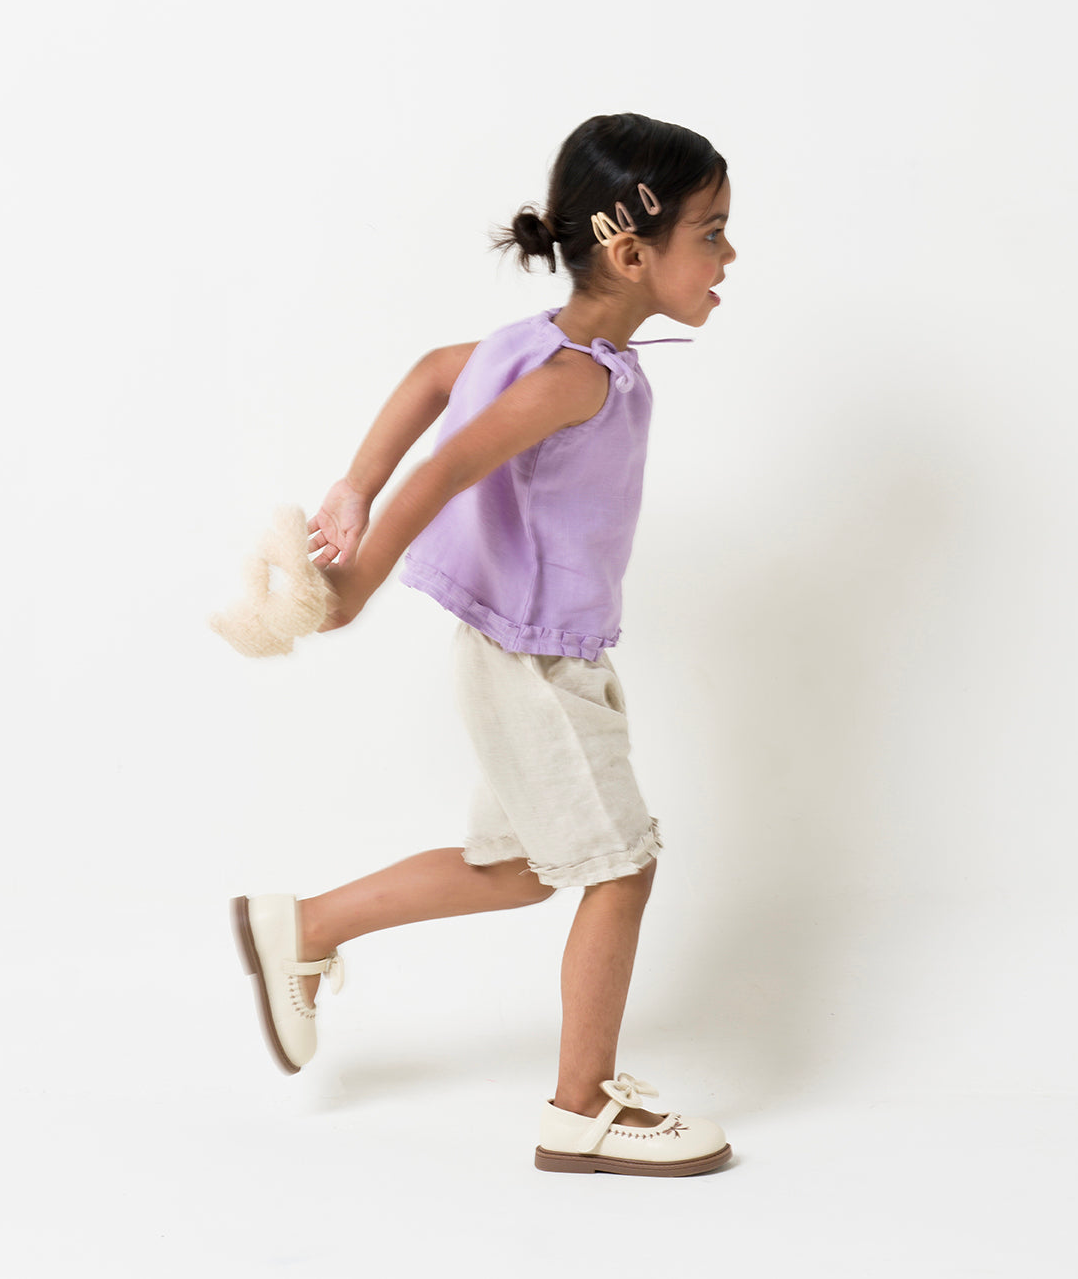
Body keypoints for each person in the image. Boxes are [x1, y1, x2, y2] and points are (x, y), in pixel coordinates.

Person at [231, 111, 739, 1177]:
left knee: (514, 869)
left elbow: (432, 372)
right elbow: (451, 464)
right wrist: (354, 580)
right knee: (623, 868)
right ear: (631, 253)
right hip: (536, 664)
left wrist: (350, 485)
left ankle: (304, 925)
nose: (728, 254)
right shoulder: (570, 377)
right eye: (711, 232)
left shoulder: (548, 347)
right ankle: (580, 1107)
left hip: (546, 652)